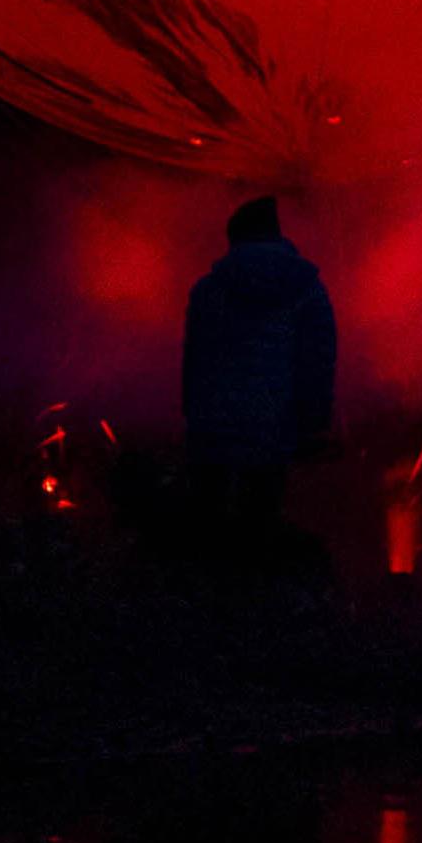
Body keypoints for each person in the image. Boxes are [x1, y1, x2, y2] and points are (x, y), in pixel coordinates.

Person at [179, 193, 338, 582]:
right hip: (274, 423)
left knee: (208, 527)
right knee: (260, 519)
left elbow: (194, 360)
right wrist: (314, 421)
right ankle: (256, 607)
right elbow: (318, 360)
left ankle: (206, 614)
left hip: (213, 425)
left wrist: (192, 415)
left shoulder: (207, 291)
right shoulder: (307, 289)